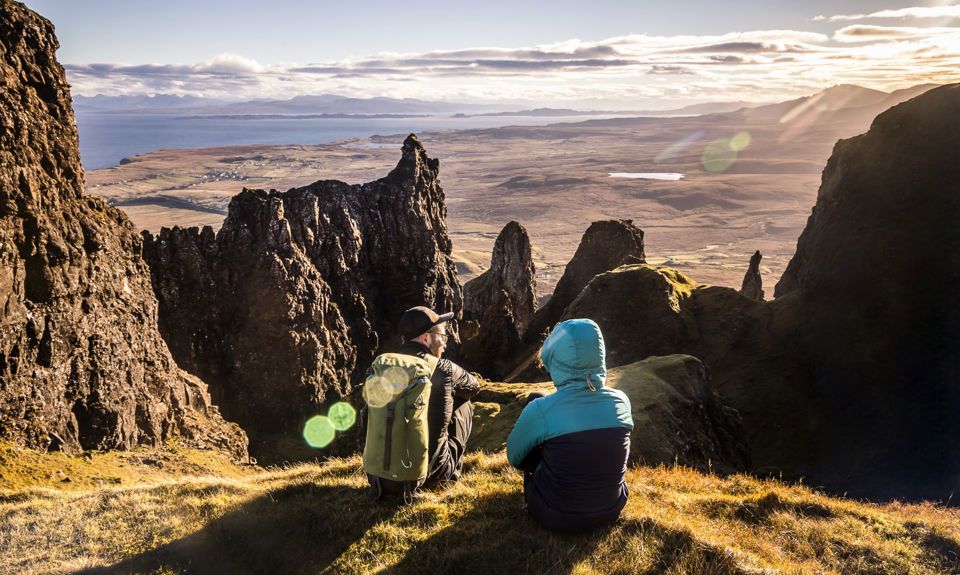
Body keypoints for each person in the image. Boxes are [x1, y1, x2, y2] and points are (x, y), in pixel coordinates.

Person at [506, 318, 634, 533]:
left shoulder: (541, 409)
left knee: (537, 402)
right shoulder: (621, 400)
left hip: (555, 516)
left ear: (555, 360)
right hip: (612, 509)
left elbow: (515, 457)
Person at [396, 305, 479, 486]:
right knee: (464, 401)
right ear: (426, 337)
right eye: (442, 337)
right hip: (428, 477)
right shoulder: (442, 368)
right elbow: (474, 386)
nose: (445, 343)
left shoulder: (382, 367)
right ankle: (449, 475)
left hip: (382, 476)